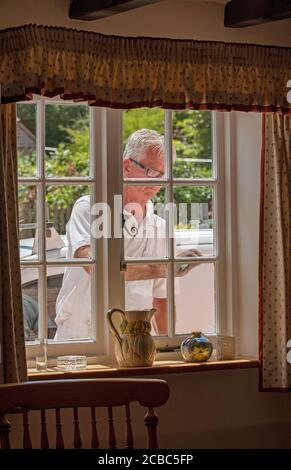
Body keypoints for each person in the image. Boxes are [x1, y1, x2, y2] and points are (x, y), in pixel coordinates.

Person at [54, 129, 200, 340]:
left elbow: (161, 299)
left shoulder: (160, 227)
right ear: (126, 165)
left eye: (163, 174)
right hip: (82, 340)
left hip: (135, 342)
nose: (157, 182)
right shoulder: (90, 208)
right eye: (151, 171)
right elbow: (97, 268)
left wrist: (170, 347)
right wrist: (164, 268)